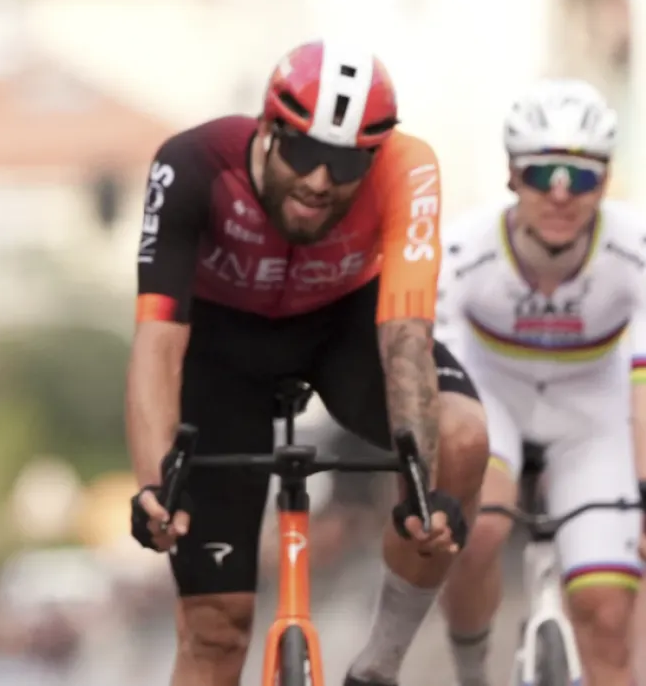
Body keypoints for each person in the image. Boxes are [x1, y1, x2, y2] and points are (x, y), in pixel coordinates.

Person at [126, 39, 491, 686]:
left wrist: (421, 477)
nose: (320, 182)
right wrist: (154, 483)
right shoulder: (194, 163)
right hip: (221, 352)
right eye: (303, 153)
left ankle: (379, 664)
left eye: (346, 164)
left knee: (460, 438)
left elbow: (405, 333)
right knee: (216, 627)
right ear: (267, 129)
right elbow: (159, 341)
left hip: (343, 331)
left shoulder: (409, 168)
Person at [436, 78, 646, 686]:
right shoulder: (463, 249)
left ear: (606, 181)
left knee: (606, 617)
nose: (560, 195)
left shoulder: (633, 247)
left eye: (580, 177)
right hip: (492, 398)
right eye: (540, 174)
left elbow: (642, 386)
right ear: (511, 177)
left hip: (593, 416)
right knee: (481, 532)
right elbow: (440, 388)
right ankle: (471, 668)